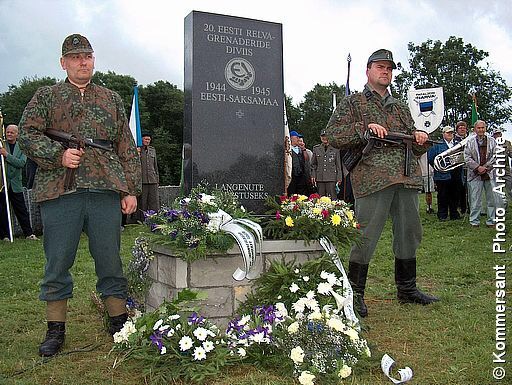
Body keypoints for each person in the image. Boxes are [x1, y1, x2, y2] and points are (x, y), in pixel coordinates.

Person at [18, 34, 141, 357]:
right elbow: (27, 133)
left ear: (93, 60)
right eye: (75, 57)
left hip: (104, 189)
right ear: (63, 63)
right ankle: (55, 329)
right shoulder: (47, 96)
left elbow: (126, 147)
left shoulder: (111, 98)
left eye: (87, 56)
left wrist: (129, 189)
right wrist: (56, 156)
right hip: (61, 190)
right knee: (58, 261)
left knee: (110, 258)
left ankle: (117, 320)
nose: (82, 62)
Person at [325, 49, 439, 318]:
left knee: (409, 233)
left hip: (405, 177)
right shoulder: (353, 103)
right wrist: (364, 129)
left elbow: (412, 141)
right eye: (380, 67)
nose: (385, 72)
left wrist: (420, 138)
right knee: (365, 236)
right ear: (368, 70)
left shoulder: (399, 107)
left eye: (389, 68)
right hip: (373, 179)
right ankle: (355, 293)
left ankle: (407, 289)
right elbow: (332, 134)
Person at [0, 124, 38, 241]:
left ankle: (28, 233)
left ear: (17, 134)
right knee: (2, 210)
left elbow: (21, 163)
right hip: (3, 183)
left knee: (21, 209)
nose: (9, 134)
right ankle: (4, 235)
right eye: (8, 132)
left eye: (12, 132)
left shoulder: (21, 148)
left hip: (15, 184)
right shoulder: (2, 145)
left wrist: (6, 155)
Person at [463, 120, 498, 227]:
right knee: (475, 199)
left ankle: (491, 221)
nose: (481, 130)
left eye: (483, 128)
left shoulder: (492, 141)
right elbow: (467, 157)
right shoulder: (469, 142)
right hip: (474, 175)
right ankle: (474, 221)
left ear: (485, 128)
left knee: (491, 199)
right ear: (475, 129)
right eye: (479, 128)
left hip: (489, 173)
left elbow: (496, 155)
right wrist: (478, 167)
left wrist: (486, 167)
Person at [427, 126, 461, 220]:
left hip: (456, 173)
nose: (450, 134)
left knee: (455, 194)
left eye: (451, 133)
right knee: (443, 195)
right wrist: (439, 167)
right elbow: (430, 158)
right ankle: (442, 215)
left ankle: (454, 213)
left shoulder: (458, 144)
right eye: (448, 133)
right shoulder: (437, 145)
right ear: (443, 134)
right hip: (442, 174)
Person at [311, 130, 342, 197]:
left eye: (326, 136)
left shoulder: (335, 149)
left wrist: (339, 177)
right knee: (321, 199)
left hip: (331, 178)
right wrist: (313, 175)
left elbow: (338, 165)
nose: (324, 138)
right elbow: (313, 165)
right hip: (320, 178)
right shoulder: (316, 149)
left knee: (333, 199)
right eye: (323, 136)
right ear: (320, 137)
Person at [139, 132, 159, 216]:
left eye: (149, 140)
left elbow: (155, 166)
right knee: (142, 203)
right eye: (146, 139)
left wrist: (157, 179)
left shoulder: (152, 150)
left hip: (152, 180)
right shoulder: (138, 150)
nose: (147, 141)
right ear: (141, 139)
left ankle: (155, 219)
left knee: (154, 202)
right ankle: (141, 221)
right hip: (142, 180)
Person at [492, 128, 512, 204]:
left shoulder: (507, 143)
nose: (497, 135)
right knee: (499, 190)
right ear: (493, 136)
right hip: (496, 169)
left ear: (501, 134)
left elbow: (511, 154)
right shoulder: (491, 144)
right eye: (496, 134)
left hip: (506, 168)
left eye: (499, 133)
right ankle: (503, 205)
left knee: (510, 187)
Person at [287, 131, 310, 196]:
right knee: (291, 194)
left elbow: (306, 159)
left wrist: (303, 149)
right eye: (296, 137)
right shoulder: (288, 149)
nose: (298, 139)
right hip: (292, 176)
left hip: (301, 176)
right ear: (291, 138)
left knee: (302, 195)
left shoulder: (300, 149)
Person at [454, 121, 469, 214]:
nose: (462, 129)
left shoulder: (470, 139)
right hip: (458, 167)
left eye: (464, 127)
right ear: (457, 130)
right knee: (459, 188)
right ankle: (460, 207)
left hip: (469, 166)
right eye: (460, 128)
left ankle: (468, 206)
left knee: (469, 188)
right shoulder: (454, 140)